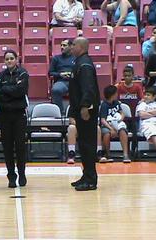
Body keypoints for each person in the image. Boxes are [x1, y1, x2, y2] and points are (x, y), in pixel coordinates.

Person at [69, 37, 100, 191]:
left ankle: (90, 179)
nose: (71, 47)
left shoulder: (85, 64)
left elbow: (88, 89)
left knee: (88, 144)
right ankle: (86, 174)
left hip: (87, 110)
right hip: (82, 109)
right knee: (83, 143)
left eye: (73, 45)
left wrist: (85, 107)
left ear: (80, 47)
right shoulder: (80, 62)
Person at [0, 50, 29, 188]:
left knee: (20, 146)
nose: (9, 61)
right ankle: (11, 176)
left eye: (11, 58)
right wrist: (12, 91)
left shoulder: (23, 74)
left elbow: (21, 91)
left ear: (16, 59)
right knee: (7, 147)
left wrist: (6, 89)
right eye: (7, 59)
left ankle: (22, 174)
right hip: (4, 115)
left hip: (19, 114)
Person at [100, 85, 131, 163]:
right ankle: (107, 154)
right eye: (116, 93)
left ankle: (125, 155)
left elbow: (122, 112)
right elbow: (103, 120)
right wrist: (112, 129)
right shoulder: (104, 105)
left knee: (123, 131)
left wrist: (121, 118)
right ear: (112, 95)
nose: (117, 95)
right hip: (108, 125)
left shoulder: (116, 102)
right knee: (106, 134)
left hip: (117, 122)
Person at [49, 39, 75, 114]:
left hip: (74, 81)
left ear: (70, 47)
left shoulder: (76, 58)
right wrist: (60, 74)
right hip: (61, 81)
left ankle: (74, 112)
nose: (62, 47)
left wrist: (72, 74)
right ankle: (60, 112)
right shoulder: (56, 58)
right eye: (61, 45)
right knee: (56, 89)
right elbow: (50, 73)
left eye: (64, 45)